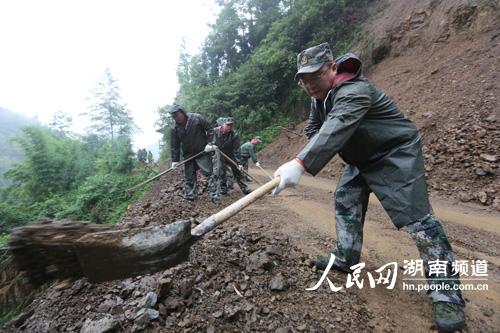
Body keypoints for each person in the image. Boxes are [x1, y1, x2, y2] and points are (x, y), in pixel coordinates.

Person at [272, 43, 465, 332]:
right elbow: (317, 129)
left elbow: (337, 125)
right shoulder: (319, 97)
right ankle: (346, 256)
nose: (309, 84)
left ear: (333, 68)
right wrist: (311, 147)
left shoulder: (354, 91)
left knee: (419, 222)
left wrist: (300, 163)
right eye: (304, 80)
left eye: (315, 76)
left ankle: (447, 293)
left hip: (393, 153)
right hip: (361, 158)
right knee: (345, 198)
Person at [170, 104, 220, 203]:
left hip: (202, 151)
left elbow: (210, 129)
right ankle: (191, 196)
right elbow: (175, 145)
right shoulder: (174, 127)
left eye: (177, 114)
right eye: (173, 116)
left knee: (208, 174)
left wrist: (210, 143)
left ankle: (215, 196)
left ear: (182, 112)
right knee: (189, 177)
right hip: (188, 155)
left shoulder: (196, 118)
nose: (176, 117)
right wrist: (175, 160)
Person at [212, 117, 252, 195]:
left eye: (231, 125)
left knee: (237, 171)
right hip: (220, 154)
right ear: (223, 124)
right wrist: (211, 145)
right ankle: (223, 189)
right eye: (228, 125)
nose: (229, 127)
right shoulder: (215, 131)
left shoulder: (235, 135)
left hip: (231, 155)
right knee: (221, 171)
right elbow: (209, 139)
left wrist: (239, 163)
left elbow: (236, 149)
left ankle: (245, 188)